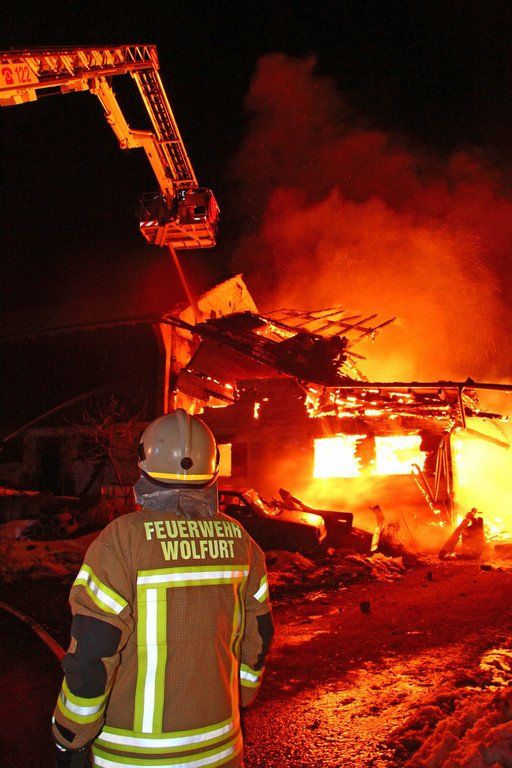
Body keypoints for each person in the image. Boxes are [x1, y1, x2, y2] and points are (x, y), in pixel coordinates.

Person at [52, 409, 274, 768]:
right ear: (213, 469)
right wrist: (243, 693)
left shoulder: (122, 539)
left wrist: (70, 731)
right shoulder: (240, 540)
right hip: (221, 750)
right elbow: (259, 634)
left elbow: (94, 649)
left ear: (143, 465)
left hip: (134, 756)